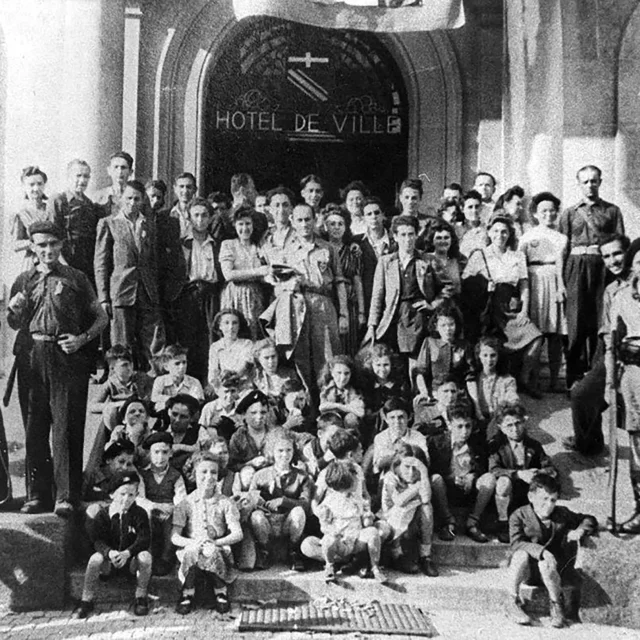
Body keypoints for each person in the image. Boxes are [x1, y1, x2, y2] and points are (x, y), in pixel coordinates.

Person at [7, 220, 108, 516]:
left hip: (67, 357)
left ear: (61, 244)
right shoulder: (24, 279)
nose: (47, 250)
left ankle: (66, 496)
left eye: (52, 244)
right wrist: (13, 309)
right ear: (33, 248)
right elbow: (14, 324)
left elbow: (101, 318)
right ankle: (38, 495)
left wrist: (82, 340)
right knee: (34, 427)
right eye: (41, 245)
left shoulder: (76, 277)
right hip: (32, 357)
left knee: (66, 427)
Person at [565, 234, 634, 456]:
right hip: (616, 354)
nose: (613, 261)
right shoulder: (610, 290)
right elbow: (606, 333)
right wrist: (608, 367)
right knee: (582, 394)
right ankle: (589, 443)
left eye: (617, 253)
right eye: (607, 256)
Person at [462, 215, 543, 398]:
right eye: (496, 231)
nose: (500, 235)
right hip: (487, 306)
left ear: (510, 234)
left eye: (504, 231)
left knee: (536, 337)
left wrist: (524, 310)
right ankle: (487, 387)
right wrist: (483, 284)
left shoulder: (517, 256)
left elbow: (523, 284)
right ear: (489, 233)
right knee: (489, 346)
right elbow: (466, 280)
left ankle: (522, 379)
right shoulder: (479, 255)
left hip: (510, 306)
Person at [559, 165, 624, 388]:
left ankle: (597, 376)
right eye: (585, 181)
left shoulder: (612, 211)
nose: (590, 185)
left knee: (600, 321)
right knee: (576, 324)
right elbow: (563, 248)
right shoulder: (569, 212)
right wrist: (561, 280)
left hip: (602, 268)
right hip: (576, 267)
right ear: (579, 184)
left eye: (594, 181)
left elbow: (620, 244)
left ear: (600, 182)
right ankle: (574, 379)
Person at [505, 473, 598, 627]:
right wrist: (542, 552)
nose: (549, 505)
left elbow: (588, 519)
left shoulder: (561, 513)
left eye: (553, 500)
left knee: (545, 565)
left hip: (553, 571)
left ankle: (556, 605)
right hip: (529, 570)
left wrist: (580, 530)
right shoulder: (519, 515)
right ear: (531, 497)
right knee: (520, 555)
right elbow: (516, 543)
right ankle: (512, 601)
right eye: (544, 499)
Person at [94, 179, 166, 371]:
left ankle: (155, 386)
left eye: (137, 199)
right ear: (120, 199)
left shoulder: (148, 224)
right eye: (128, 198)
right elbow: (101, 264)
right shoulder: (109, 224)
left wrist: (156, 290)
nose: (132, 203)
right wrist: (103, 297)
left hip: (148, 291)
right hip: (121, 291)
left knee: (154, 344)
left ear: (143, 200)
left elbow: (154, 261)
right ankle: (120, 389)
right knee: (121, 345)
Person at [284, 203, 349, 398]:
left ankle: (329, 403)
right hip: (297, 304)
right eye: (300, 220)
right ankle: (306, 406)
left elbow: (339, 282)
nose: (304, 224)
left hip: (323, 303)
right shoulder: (287, 249)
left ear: (315, 220)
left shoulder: (327, 247)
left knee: (327, 355)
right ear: (292, 222)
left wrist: (344, 313)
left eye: (308, 219)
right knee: (301, 356)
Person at [365, 215, 438, 382]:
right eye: (403, 235)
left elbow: (447, 288)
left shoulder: (426, 260)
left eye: (411, 234)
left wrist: (432, 304)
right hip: (392, 317)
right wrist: (372, 325)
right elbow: (377, 296)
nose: (408, 239)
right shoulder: (386, 262)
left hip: (417, 318)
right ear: (395, 237)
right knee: (391, 362)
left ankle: (416, 398)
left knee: (416, 363)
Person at [172, 452, 243, 615]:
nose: (209, 477)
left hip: (218, 547)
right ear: (193, 474)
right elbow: (174, 536)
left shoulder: (225, 502)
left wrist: (216, 542)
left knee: (212, 552)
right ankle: (187, 592)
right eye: (203, 472)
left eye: (213, 472)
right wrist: (192, 543)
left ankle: (220, 590)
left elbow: (237, 533)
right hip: (193, 546)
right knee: (192, 552)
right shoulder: (185, 503)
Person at [76, 471, 152, 619]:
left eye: (131, 495)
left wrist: (128, 553)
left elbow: (144, 538)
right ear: (112, 495)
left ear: (136, 495)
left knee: (146, 557)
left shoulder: (139, 513)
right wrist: (109, 552)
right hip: (109, 562)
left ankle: (141, 596)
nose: (126, 499)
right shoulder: (104, 514)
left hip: (130, 561)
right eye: (122, 494)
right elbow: (97, 540)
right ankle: (86, 599)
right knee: (95, 559)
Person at [300, 460, 388, 584]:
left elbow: (366, 523)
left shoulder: (357, 499)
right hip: (338, 543)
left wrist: (368, 517)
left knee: (373, 532)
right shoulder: (328, 503)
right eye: (355, 479)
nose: (358, 481)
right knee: (309, 544)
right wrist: (333, 532)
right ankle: (330, 565)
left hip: (356, 540)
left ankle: (374, 567)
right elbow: (325, 528)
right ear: (345, 483)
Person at [606, 245, 640, 534]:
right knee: (638, 445)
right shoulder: (621, 297)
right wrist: (609, 379)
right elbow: (611, 343)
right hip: (633, 374)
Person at [519, 192, 568, 392]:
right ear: (536, 213)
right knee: (535, 334)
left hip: (553, 279)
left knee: (555, 334)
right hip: (533, 281)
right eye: (544, 211)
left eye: (552, 211)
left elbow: (561, 263)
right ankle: (533, 380)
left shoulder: (561, 237)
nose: (548, 214)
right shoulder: (528, 236)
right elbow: (521, 263)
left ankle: (555, 379)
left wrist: (560, 286)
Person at [427, 404, 496, 543]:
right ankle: (448, 522)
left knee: (489, 479)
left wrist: (472, 476)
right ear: (450, 425)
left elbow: (484, 466)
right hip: (446, 490)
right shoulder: (435, 442)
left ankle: (472, 522)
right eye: (459, 426)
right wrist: (452, 478)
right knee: (435, 479)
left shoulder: (477, 442)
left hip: (470, 490)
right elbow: (432, 469)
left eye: (468, 426)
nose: (464, 431)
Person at [488, 403, 556, 543]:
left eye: (517, 423)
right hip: (506, 492)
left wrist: (538, 472)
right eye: (509, 425)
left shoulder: (533, 445)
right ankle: (503, 522)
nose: (515, 429)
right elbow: (493, 470)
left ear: (523, 422)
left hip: (526, 491)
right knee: (503, 482)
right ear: (501, 427)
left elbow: (550, 468)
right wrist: (518, 474)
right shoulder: (496, 445)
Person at [248, 431, 312, 571]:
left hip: (288, 522)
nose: (284, 454)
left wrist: (284, 501)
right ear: (272, 451)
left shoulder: (301, 476)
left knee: (299, 512)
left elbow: (306, 505)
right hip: (268, 521)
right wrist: (258, 501)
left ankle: (293, 551)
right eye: (280, 450)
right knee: (256, 516)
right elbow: (251, 500)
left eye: (289, 450)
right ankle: (264, 550)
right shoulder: (260, 475)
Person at [177, 197, 222, 381]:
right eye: (196, 215)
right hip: (189, 293)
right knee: (188, 338)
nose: (200, 220)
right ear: (189, 218)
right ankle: (189, 382)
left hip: (211, 293)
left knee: (210, 336)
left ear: (211, 218)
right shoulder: (182, 244)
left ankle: (209, 381)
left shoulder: (216, 244)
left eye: (204, 215)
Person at [380, 443, 438, 576]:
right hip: (392, 523)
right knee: (402, 509)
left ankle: (425, 556)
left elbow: (425, 499)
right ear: (397, 465)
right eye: (406, 467)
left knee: (427, 507)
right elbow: (399, 501)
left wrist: (423, 472)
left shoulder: (420, 476)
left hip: (412, 524)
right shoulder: (390, 477)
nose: (411, 473)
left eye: (415, 468)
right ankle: (397, 555)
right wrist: (416, 487)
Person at [136, 431, 187, 576]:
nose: (160, 457)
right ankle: (149, 557)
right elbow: (140, 498)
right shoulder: (143, 474)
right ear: (149, 454)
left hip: (169, 512)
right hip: (150, 510)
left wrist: (172, 509)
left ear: (171, 453)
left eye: (164, 452)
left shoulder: (175, 475)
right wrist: (155, 506)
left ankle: (166, 559)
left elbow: (181, 498)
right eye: (156, 452)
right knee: (147, 516)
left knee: (174, 520)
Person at [219, 205, 269, 340]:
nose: (245, 228)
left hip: (254, 295)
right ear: (234, 226)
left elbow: (265, 274)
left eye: (248, 224)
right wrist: (258, 271)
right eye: (240, 224)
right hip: (234, 294)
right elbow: (228, 274)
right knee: (233, 331)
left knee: (254, 333)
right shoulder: (228, 245)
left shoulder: (258, 247)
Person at [48, 159, 101, 284]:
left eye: (86, 176)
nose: (82, 180)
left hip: (86, 263)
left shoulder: (89, 204)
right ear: (68, 176)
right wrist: (63, 265)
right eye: (78, 176)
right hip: (65, 261)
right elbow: (52, 235)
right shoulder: (58, 200)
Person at [323, 204, 366, 354]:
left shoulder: (352, 251)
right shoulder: (322, 250)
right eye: (332, 224)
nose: (336, 227)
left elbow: (358, 282)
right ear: (325, 226)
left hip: (349, 304)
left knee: (350, 346)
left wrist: (361, 312)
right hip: (329, 302)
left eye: (340, 224)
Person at [414, 303, 476, 404]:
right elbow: (420, 372)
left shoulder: (464, 346)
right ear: (436, 326)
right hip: (434, 395)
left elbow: (470, 378)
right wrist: (424, 392)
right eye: (443, 325)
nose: (448, 329)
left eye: (451, 324)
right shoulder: (430, 343)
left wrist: (477, 406)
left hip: (457, 396)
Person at [353, 196, 396, 310]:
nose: (373, 217)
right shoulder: (356, 242)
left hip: (391, 303)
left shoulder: (395, 243)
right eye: (369, 214)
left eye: (377, 212)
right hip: (367, 302)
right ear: (363, 218)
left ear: (383, 215)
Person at [372, 398, 430, 477]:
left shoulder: (418, 437)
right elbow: (377, 467)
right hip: (390, 478)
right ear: (386, 419)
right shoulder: (381, 438)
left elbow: (426, 462)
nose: (397, 422)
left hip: (414, 476)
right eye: (392, 418)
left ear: (409, 417)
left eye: (401, 417)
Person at [472, 336, 519, 427]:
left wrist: (511, 401)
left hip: (498, 419)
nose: (489, 360)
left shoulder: (507, 379)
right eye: (485, 355)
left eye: (493, 355)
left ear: (498, 356)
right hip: (477, 418)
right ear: (479, 356)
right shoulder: (474, 378)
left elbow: (512, 395)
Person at [13, 166, 49, 272]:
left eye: (39, 184)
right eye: (31, 185)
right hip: (34, 261)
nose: (36, 188)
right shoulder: (21, 214)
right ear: (24, 186)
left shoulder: (50, 208)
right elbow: (15, 244)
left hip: (53, 257)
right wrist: (31, 244)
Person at [207, 308, 254, 388]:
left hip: (244, 387)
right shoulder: (215, 347)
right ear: (220, 326)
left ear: (239, 326)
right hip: (224, 388)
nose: (231, 327)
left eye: (234, 323)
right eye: (226, 323)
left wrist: (234, 377)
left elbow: (245, 367)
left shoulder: (247, 344)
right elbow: (213, 372)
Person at [151, 344, 204, 413]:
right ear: (166, 366)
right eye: (177, 363)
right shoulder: (160, 380)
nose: (182, 367)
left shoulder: (194, 382)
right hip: (166, 415)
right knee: (160, 405)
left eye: (184, 362)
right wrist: (172, 400)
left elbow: (197, 401)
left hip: (187, 415)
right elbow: (154, 397)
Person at [318, 355, 365, 432]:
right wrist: (346, 407)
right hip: (332, 421)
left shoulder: (354, 389)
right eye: (339, 373)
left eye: (346, 373)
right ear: (332, 372)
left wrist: (337, 406)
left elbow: (360, 412)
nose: (342, 378)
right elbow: (322, 407)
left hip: (350, 425)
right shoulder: (326, 388)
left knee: (351, 418)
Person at [228, 390, 272, 472]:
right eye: (253, 413)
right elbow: (232, 466)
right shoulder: (238, 437)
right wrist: (250, 464)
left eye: (263, 412)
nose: (259, 417)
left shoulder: (275, 433)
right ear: (244, 414)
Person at [82, 439, 137, 504]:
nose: (125, 468)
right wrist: (100, 504)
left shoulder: (125, 478)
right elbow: (77, 504)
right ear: (108, 460)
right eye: (121, 462)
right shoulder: (90, 476)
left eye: (128, 464)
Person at [158, 394, 201, 471]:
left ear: (191, 418)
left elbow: (206, 451)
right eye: (174, 414)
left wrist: (181, 447)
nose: (177, 420)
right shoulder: (160, 430)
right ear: (169, 412)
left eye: (183, 417)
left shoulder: (198, 431)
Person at [198, 370, 243, 443]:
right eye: (226, 391)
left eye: (233, 391)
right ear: (218, 391)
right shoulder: (210, 408)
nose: (229, 396)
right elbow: (201, 434)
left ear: (238, 391)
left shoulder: (241, 409)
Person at [260, 187, 297, 265]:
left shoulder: (299, 233)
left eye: (285, 205)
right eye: (277, 205)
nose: (281, 210)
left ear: (291, 208)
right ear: (270, 209)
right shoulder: (265, 237)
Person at [95, 151, 134, 219]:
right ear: (109, 170)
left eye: (123, 167)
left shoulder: (138, 195)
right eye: (116, 167)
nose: (119, 171)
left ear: (130, 172)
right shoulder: (99, 196)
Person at [458, 190, 489, 259]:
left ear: (481, 208)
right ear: (462, 209)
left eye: (477, 206)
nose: (474, 210)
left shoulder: (487, 230)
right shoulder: (457, 230)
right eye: (470, 207)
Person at [170, 172, 198, 239]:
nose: (185, 191)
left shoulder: (201, 214)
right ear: (175, 189)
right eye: (181, 186)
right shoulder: (165, 215)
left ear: (195, 189)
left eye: (189, 187)